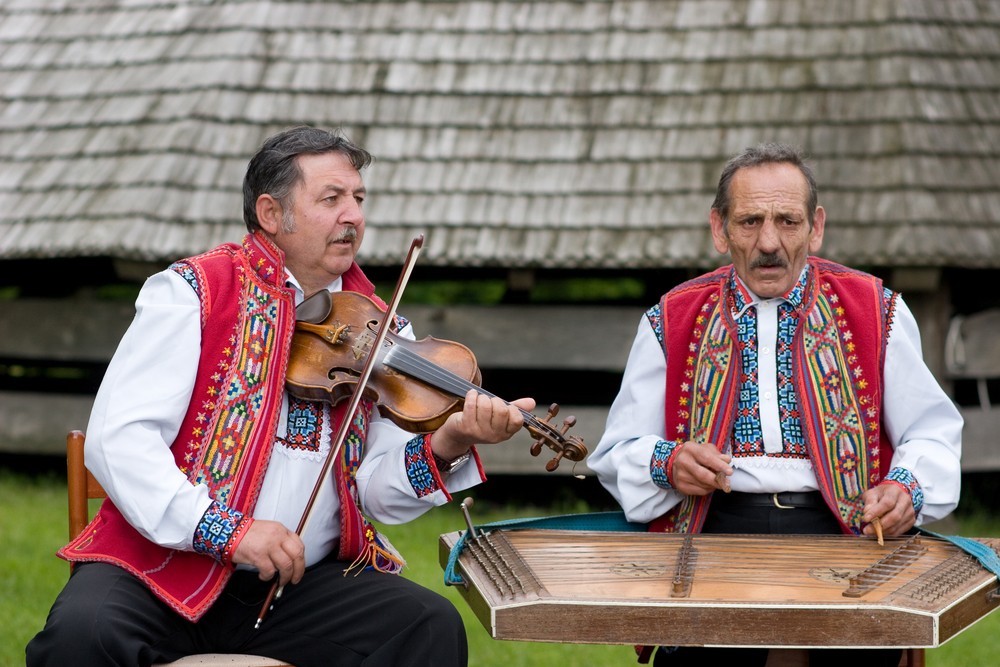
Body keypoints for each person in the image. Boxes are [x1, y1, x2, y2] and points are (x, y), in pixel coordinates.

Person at [27, 126, 535, 667]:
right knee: (80, 637)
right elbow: (119, 441)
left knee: (426, 627)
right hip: (160, 569)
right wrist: (227, 531)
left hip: (299, 586)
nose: (354, 216)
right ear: (271, 214)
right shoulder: (193, 294)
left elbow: (374, 497)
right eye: (331, 199)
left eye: (358, 198)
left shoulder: (384, 333)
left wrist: (448, 442)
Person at [588, 143, 962, 667]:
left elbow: (932, 432)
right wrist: (668, 461)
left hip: (845, 533)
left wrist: (907, 488)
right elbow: (618, 449)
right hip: (716, 529)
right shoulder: (670, 319)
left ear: (816, 227)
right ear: (719, 229)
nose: (769, 242)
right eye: (749, 222)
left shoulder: (878, 312)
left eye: (788, 221)